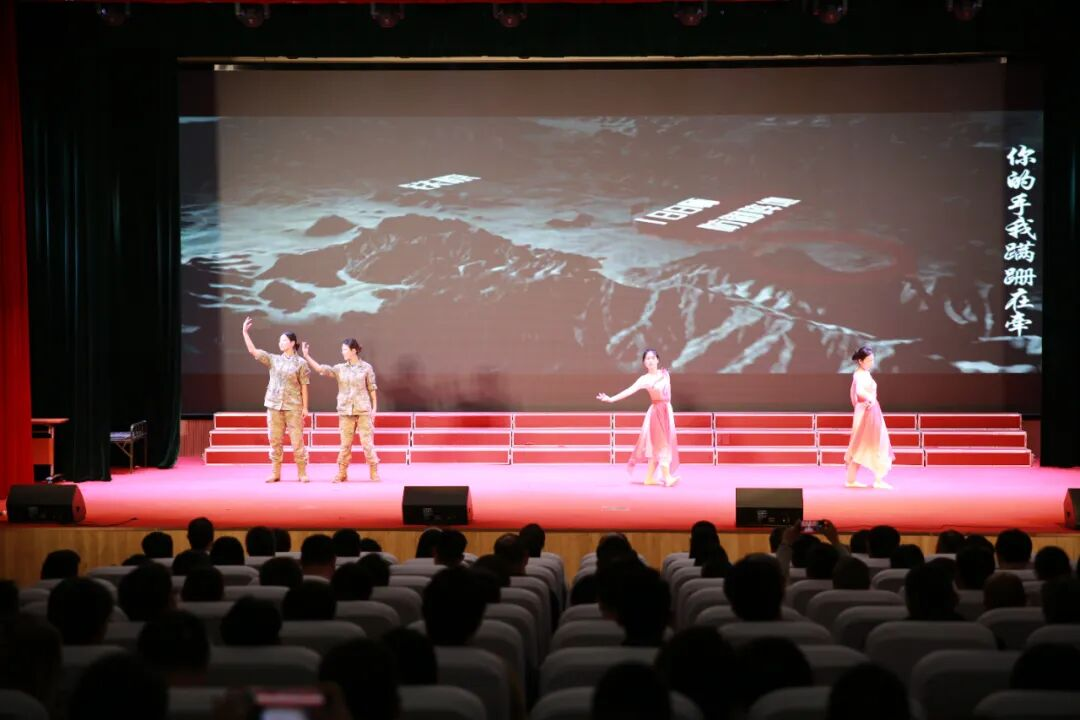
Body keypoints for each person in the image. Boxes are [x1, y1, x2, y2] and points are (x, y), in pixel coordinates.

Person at [597, 348, 680, 487]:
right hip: (657, 413)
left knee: (657, 445)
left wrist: (667, 409)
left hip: (667, 411)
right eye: (647, 359)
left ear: (657, 360)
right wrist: (611, 399)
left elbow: (667, 394)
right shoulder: (644, 379)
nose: (650, 361)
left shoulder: (665, 374)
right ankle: (667, 477)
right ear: (644, 363)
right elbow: (629, 390)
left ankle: (649, 478)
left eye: (653, 358)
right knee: (662, 444)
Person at [242, 316, 310, 483]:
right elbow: (253, 351)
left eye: (284, 340)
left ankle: (302, 472)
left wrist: (305, 407)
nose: (281, 343)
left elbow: (304, 386)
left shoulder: (301, 363)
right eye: (279, 341)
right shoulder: (274, 359)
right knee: (275, 441)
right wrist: (245, 332)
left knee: (297, 441)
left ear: (292, 343)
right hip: (274, 405)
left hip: (293, 407)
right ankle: (275, 472)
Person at [302, 337, 380, 483]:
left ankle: (373, 471)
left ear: (353, 351)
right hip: (345, 411)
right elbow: (321, 369)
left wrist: (374, 408)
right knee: (345, 444)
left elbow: (372, 387)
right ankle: (342, 472)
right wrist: (307, 356)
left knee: (367, 443)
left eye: (345, 349)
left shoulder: (366, 368)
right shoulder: (340, 368)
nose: (342, 352)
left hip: (363, 410)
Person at [844, 345, 894, 489]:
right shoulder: (859, 374)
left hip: (870, 409)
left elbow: (858, 394)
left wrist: (869, 400)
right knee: (871, 443)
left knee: (869, 443)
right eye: (869, 360)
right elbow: (858, 392)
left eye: (872, 360)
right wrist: (869, 399)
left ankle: (854, 480)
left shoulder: (864, 373)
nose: (872, 363)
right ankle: (875, 480)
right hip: (866, 411)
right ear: (860, 361)